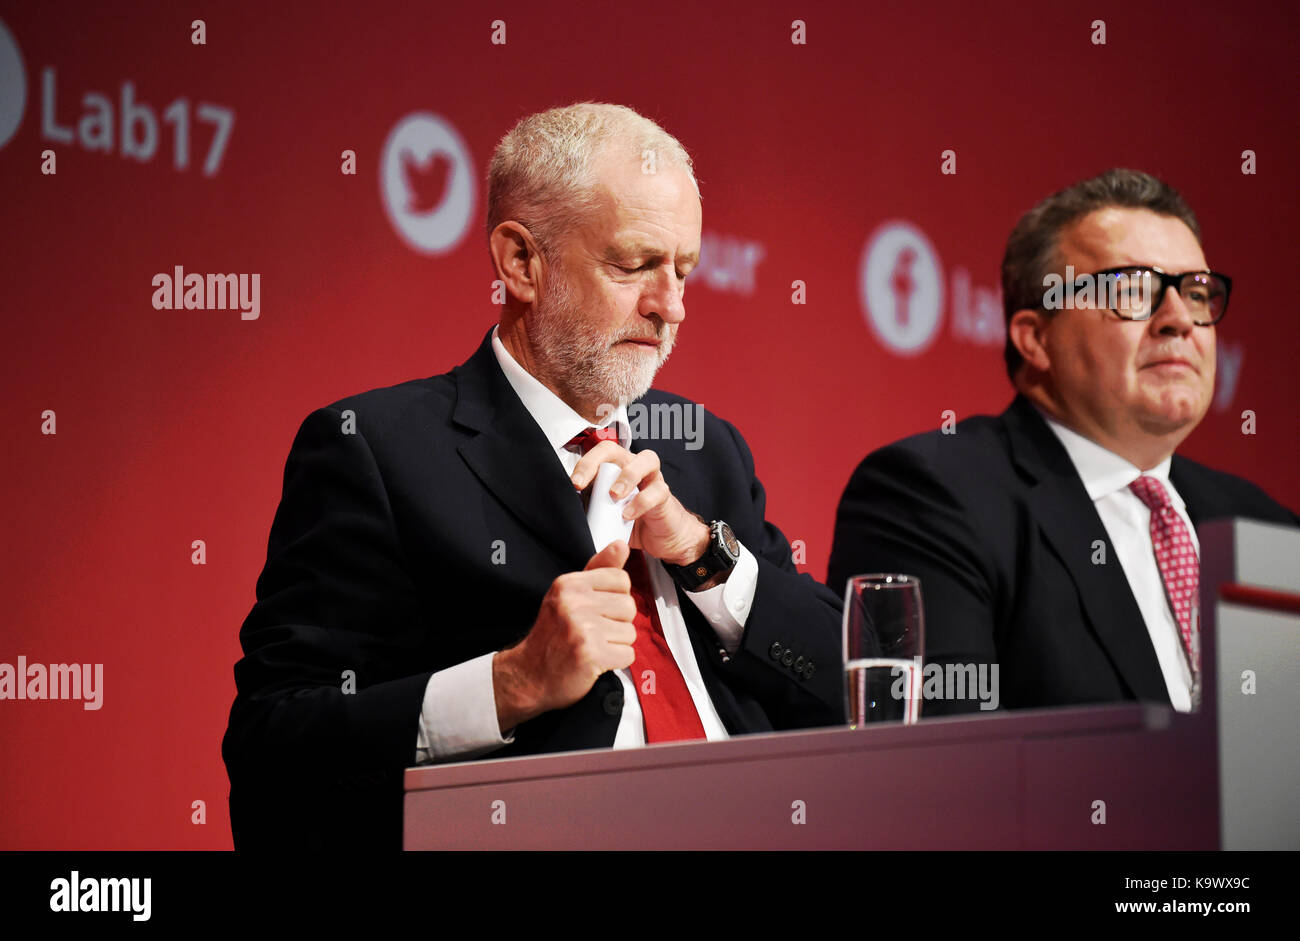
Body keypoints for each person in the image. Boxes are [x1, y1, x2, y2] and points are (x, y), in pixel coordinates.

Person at [223, 103, 842, 850]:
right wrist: (512, 682)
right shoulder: (376, 451)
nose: (670, 306)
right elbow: (272, 755)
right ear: (521, 262)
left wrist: (704, 555)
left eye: (683, 270)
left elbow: (856, 694)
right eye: (635, 264)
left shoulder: (706, 448)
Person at [828, 168, 1298, 717]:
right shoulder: (932, 497)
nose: (1179, 321)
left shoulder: (1266, 526)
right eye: (1133, 290)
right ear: (1036, 336)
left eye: (1196, 293)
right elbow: (942, 769)